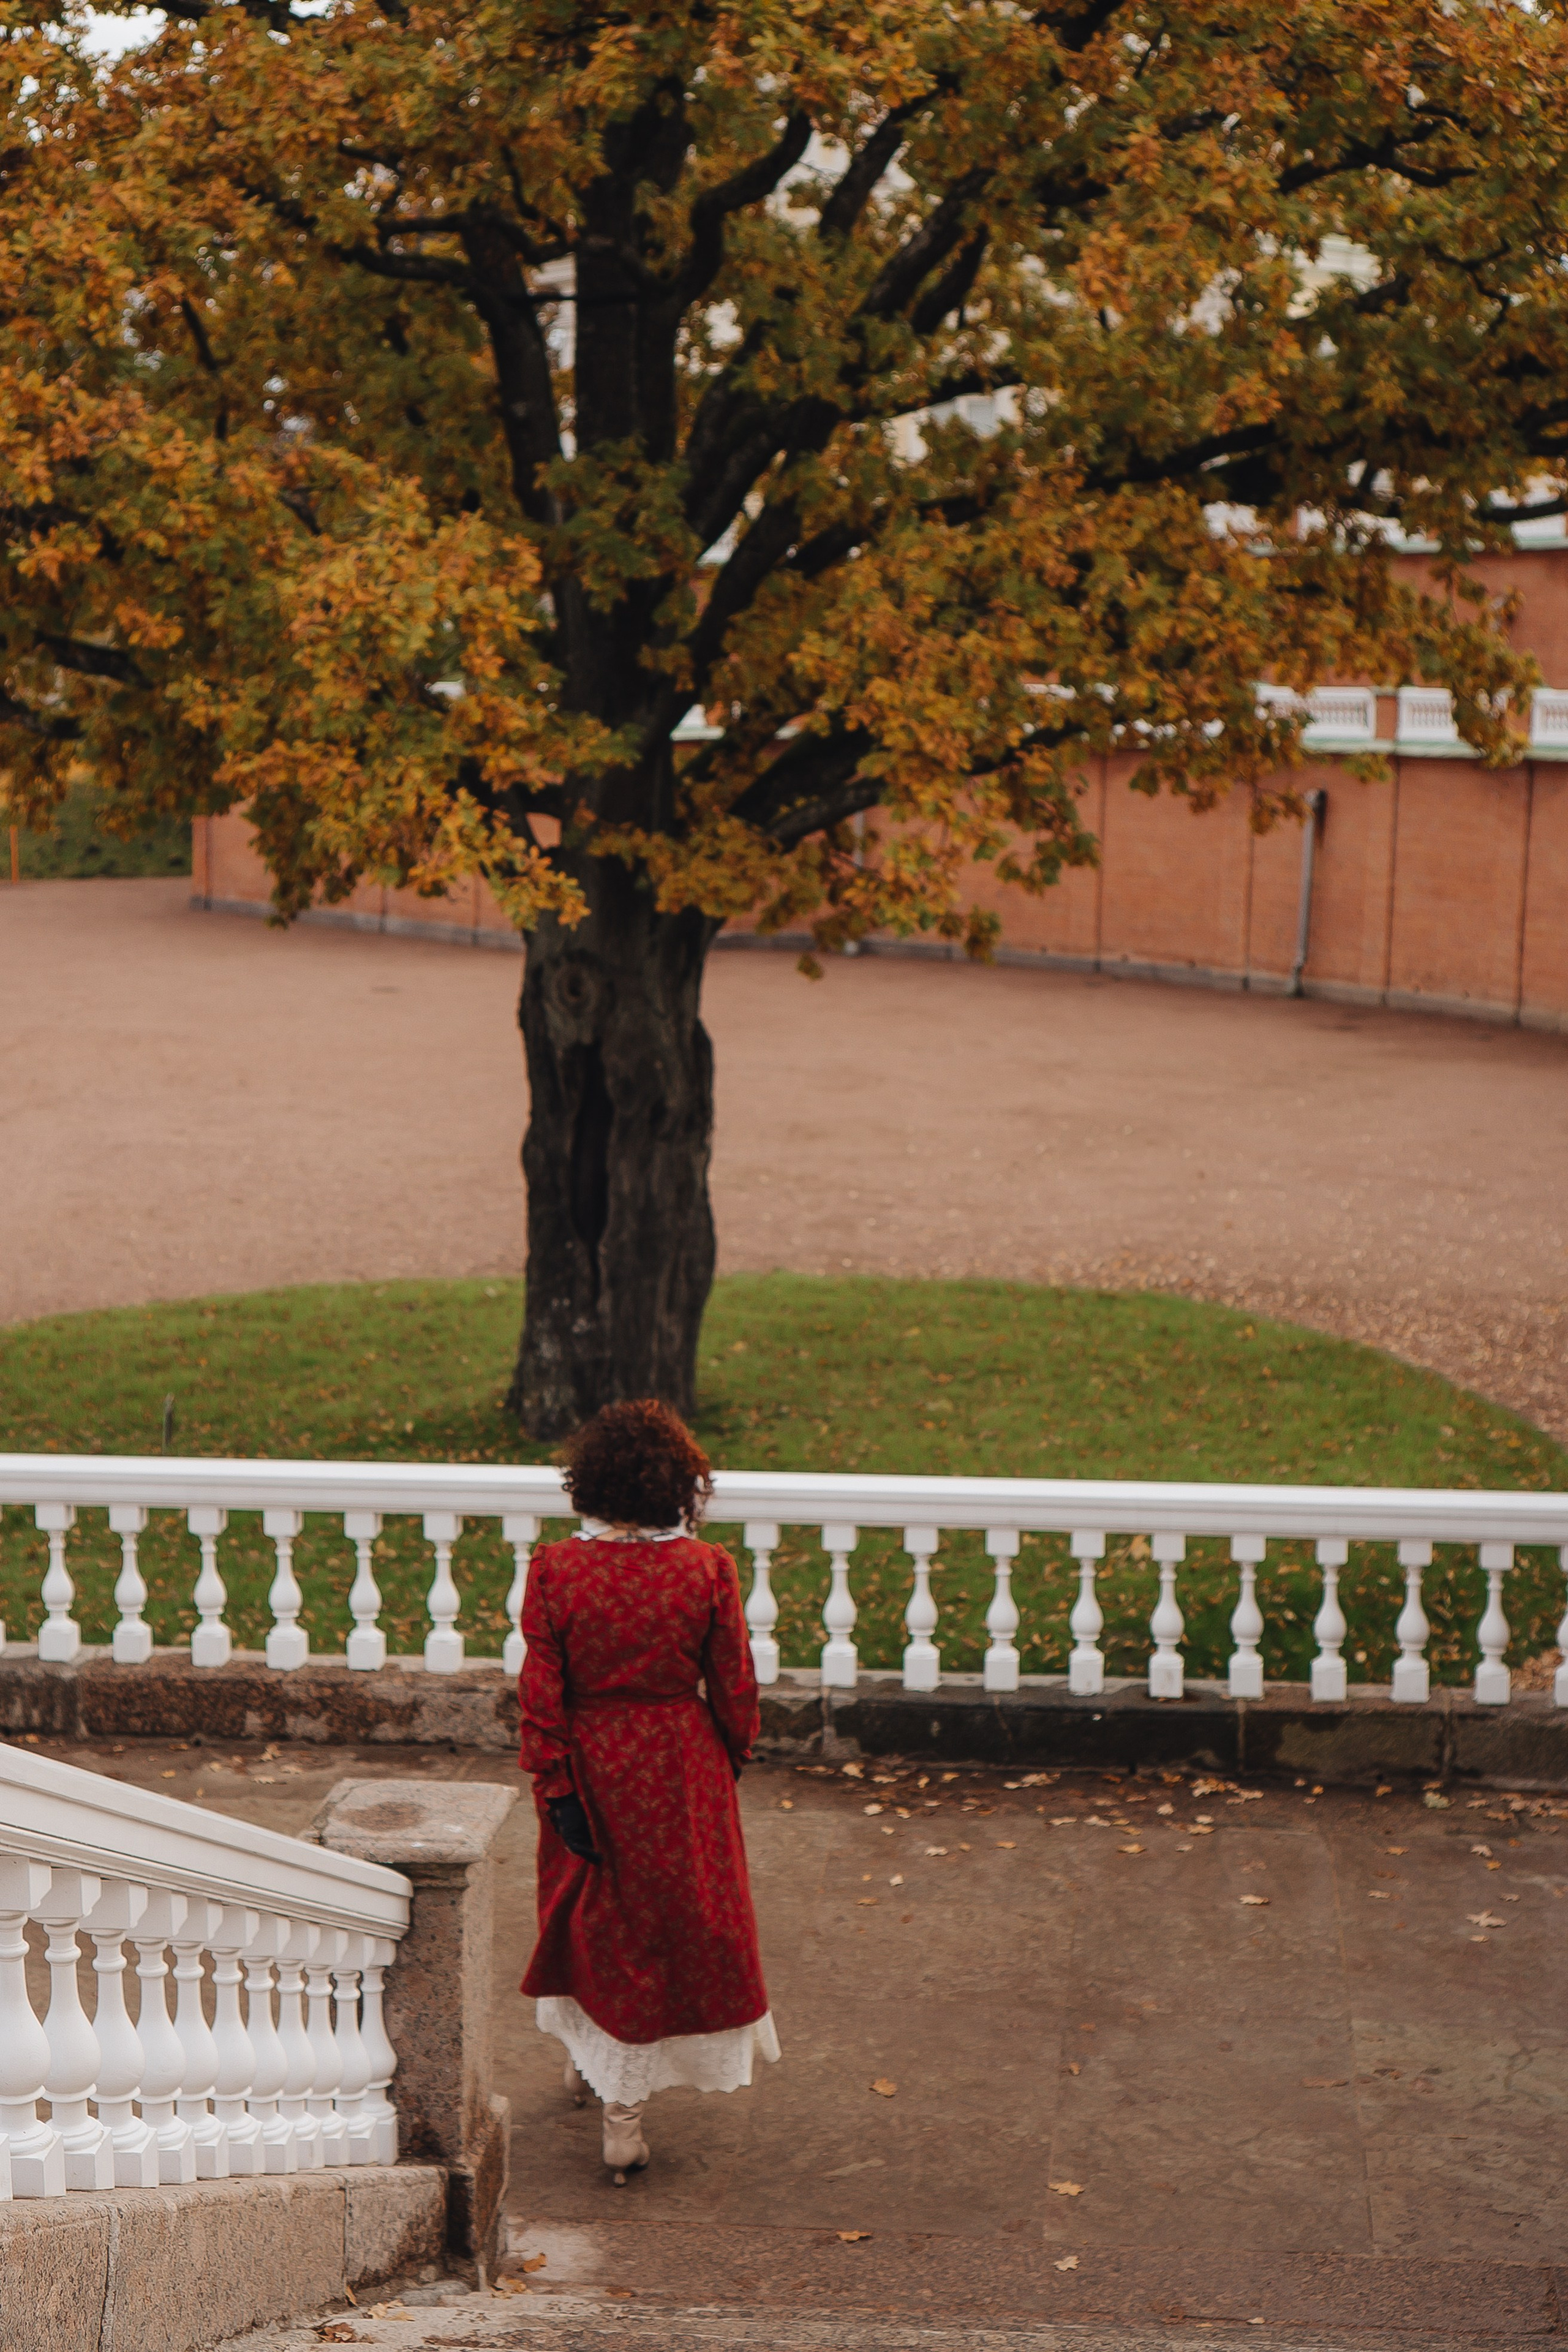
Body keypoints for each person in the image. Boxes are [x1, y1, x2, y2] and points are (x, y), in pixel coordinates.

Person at [517, 1397, 779, 2180]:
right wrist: (729, 1754)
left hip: (590, 1761)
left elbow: (541, 1694)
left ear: (589, 1481)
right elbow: (734, 1686)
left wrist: (556, 1784)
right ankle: (621, 2116)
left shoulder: (555, 1571)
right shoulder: (706, 1570)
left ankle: (593, 2072)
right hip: (678, 1760)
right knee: (674, 1925)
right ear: (678, 1486)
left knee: (591, 1919)